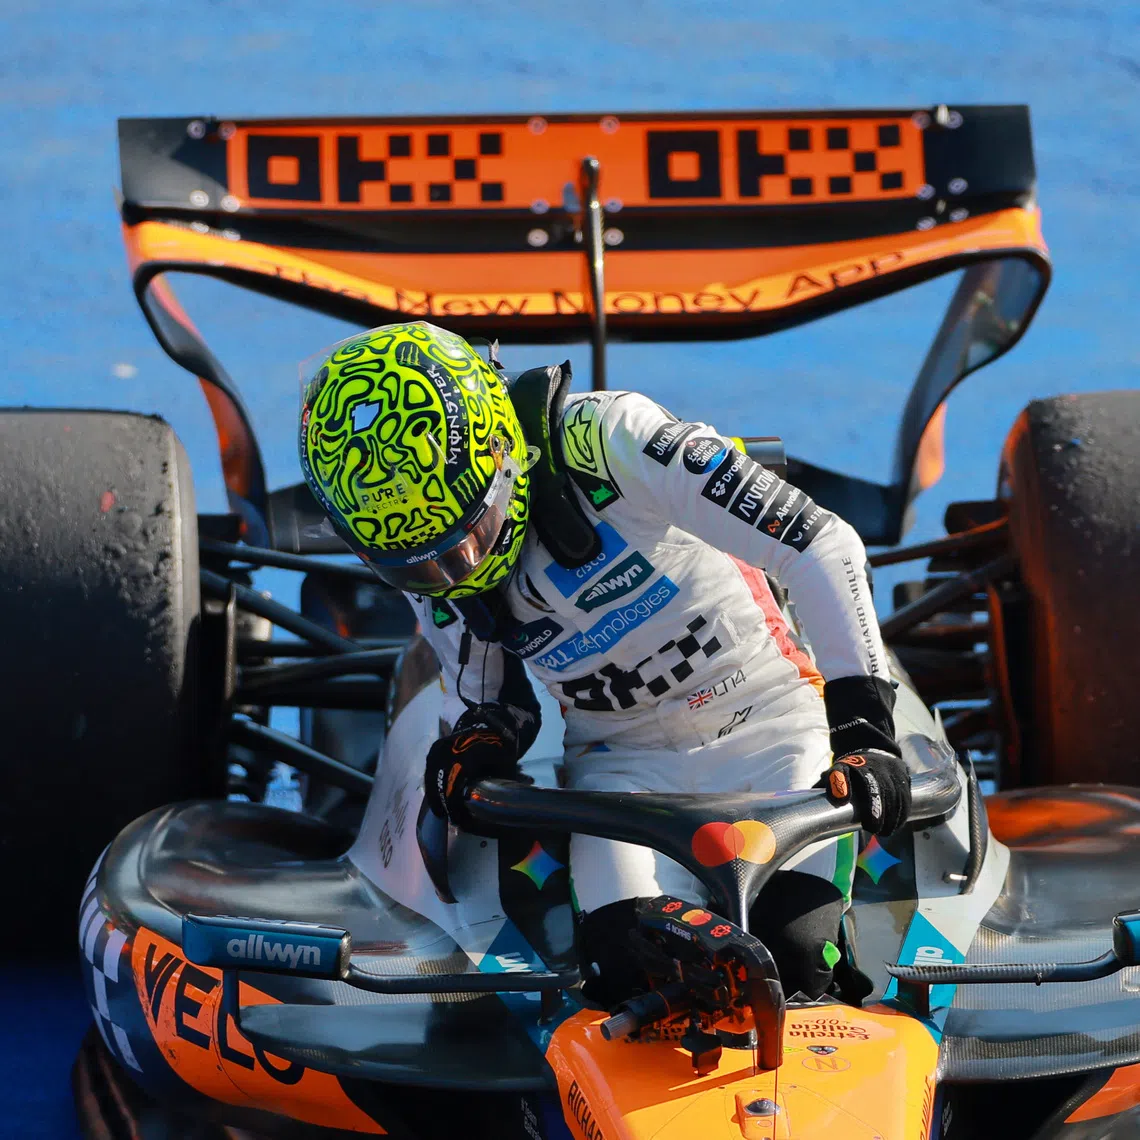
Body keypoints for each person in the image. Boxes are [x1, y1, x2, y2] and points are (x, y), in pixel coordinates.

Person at [299, 320, 911, 1004]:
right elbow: (489, 704)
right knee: (631, 973)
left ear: (501, 454)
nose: (452, 574)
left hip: (775, 727)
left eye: (465, 538)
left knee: (798, 964)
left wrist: (863, 730)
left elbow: (822, 545)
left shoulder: (611, 441)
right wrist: (477, 745)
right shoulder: (430, 571)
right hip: (619, 776)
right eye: (421, 563)